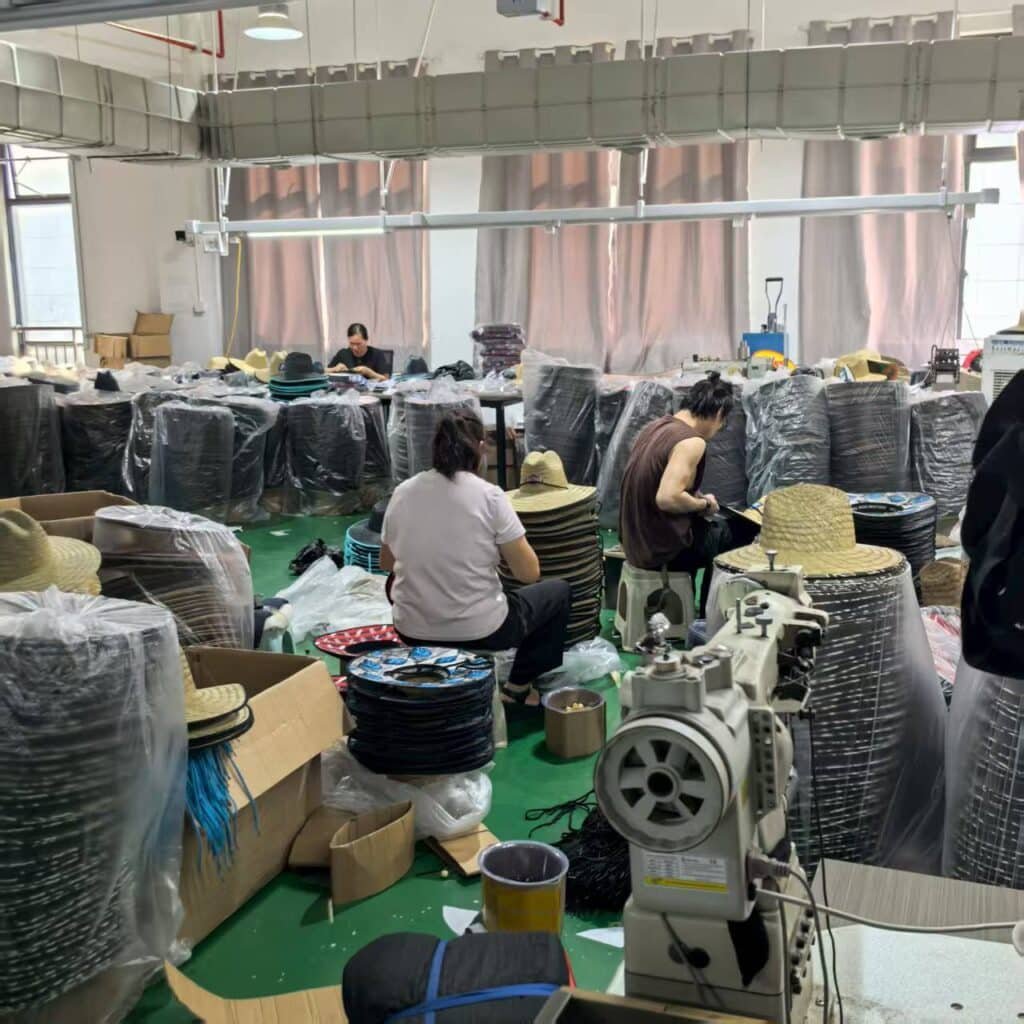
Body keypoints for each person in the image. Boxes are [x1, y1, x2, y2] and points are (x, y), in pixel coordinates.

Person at [380, 411, 571, 704]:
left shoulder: (402, 492)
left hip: (411, 629)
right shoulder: (490, 495)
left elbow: (386, 563)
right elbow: (528, 573)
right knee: (558, 592)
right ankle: (518, 687)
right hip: (481, 630)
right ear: (481, 450)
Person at [619, 371, 741, 616]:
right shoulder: (692, 442)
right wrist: (703, 505)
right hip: (658, 550)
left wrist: (696, 498)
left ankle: (691, 606)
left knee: (711, 529)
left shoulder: (656, 427)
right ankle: (709, 617)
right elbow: (667, 498)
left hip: (633, 541)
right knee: (735, 533)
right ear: (718, 413)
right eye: (723, 422)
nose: (720, 428)